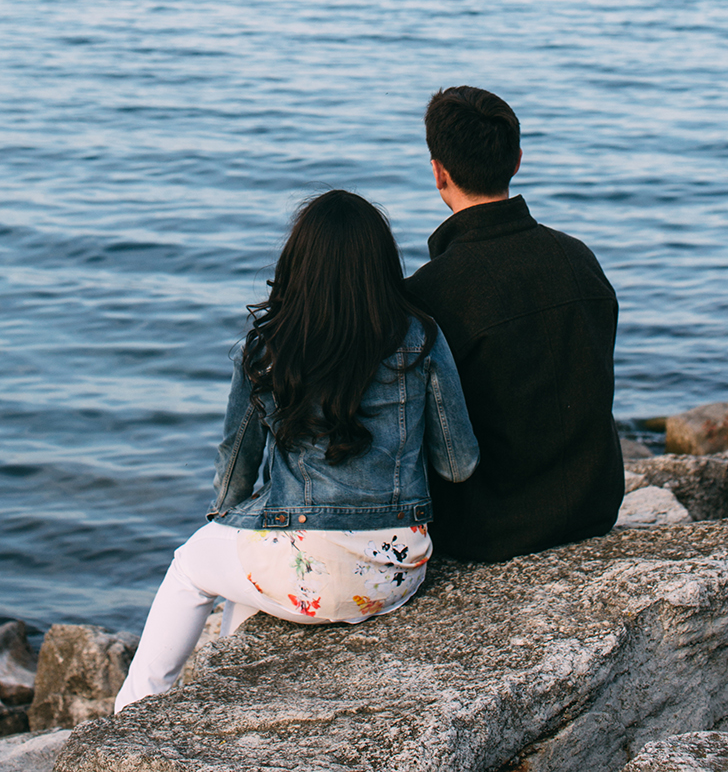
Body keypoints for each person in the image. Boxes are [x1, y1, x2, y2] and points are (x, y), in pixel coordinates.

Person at [115, 188, 479, 711]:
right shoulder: (421, 339)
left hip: (303, 571)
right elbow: (459, 465)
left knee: (192, 565)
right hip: (395, 574)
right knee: (246, 570)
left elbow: (236, 470)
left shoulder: (266, 348)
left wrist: (229, 518)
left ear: (298, 265)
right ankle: (231, 679)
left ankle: (131, 710)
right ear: (381, 265)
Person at [405, 86, 624, 563]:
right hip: (595, 507)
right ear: (517, 159)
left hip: (490, 531)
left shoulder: (428, 294)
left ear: (439, 171)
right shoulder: (579, 259)